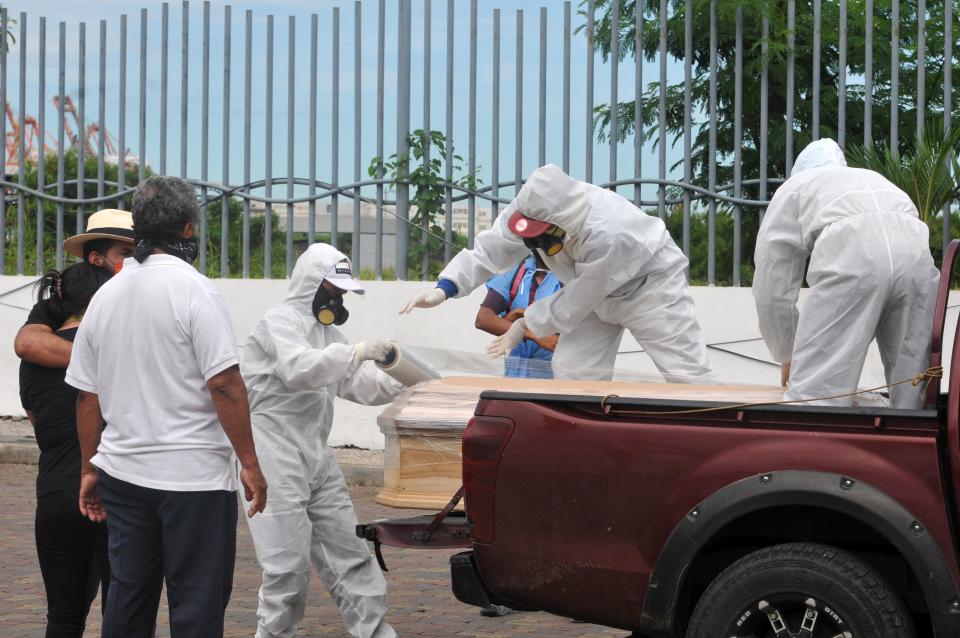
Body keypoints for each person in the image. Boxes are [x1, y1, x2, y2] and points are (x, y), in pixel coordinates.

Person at [65, 176, 268, 638]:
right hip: (193, 480)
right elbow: (225, 385)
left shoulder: (106, 297)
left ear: (138, 229)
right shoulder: (196, 291)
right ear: (188, 228)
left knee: (128, 599)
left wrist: (88, 468)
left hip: (124, 474)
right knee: (197, 602)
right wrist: (251, 464)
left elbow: (87, 395)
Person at [402, 163, 715, 382]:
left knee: (687, 375)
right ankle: (586, 454)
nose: (533, 245)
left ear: (565, 222)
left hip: (648, 288)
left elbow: (577, 300)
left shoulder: (607, 230)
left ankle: (729, 451)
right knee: (573, 372)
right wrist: (445, 287)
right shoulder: (528, 209)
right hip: (589, 293)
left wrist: (525, 322)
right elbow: (492, 248)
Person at [241, 243, 405, 638]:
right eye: (333, 288)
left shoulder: (329, 332)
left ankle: (374, 630)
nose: (338, 297)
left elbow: (361, 386)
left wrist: (407, 377)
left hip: (316, 453)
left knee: (349, 550)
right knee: (286, 566)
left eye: (342, 291)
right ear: (311, 284)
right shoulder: (277, 323)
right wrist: (358, 350)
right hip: (273, 453)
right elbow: (300, 369)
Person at [752, 138, 940, 408]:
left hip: (853, 252)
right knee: (912, 390)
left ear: (799, 171)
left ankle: (813, 448)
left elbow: (773, 287)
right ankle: (913, 447)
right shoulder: (874, 179)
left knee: (817, 398)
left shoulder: (795, 188)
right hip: (915, 256)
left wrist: (788, 354)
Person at [19, 263, 113, 637]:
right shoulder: (115, 350)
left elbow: (36, 418)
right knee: (124, 611)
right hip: (112, 489)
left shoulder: (34, 357)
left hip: (56, 492)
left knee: (63, 615)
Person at [14, 209, 135, 369]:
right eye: (126, 254)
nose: (134, 261)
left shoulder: (146, 297)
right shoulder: (64, 299)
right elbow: (27, 344)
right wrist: (108, 364)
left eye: (138, 254)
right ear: (96, 259)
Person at [475, 251, 562, 379]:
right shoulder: (513, 273)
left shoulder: (570, 279)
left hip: (557, 380)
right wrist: (533, 334)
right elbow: (483, 319)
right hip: (514, 377)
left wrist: (511, 322)